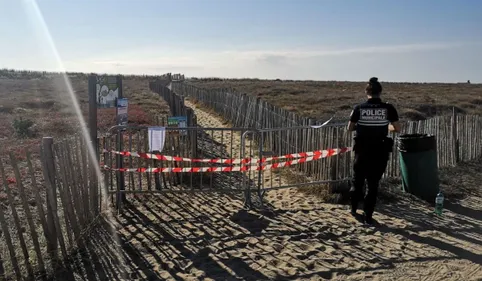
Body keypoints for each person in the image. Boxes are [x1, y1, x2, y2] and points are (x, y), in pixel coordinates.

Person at [347, 77, 401, 225]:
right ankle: (368, 215)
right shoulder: (388, 108)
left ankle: (353, 209)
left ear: (367, 92)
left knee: (357, 180)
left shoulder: (359, 108)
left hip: (362, 150)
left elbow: (349, 128)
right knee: (373, 184)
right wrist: (385, 127)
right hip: (380, 151)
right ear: (380, 92)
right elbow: (397, 128)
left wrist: (363, 127)